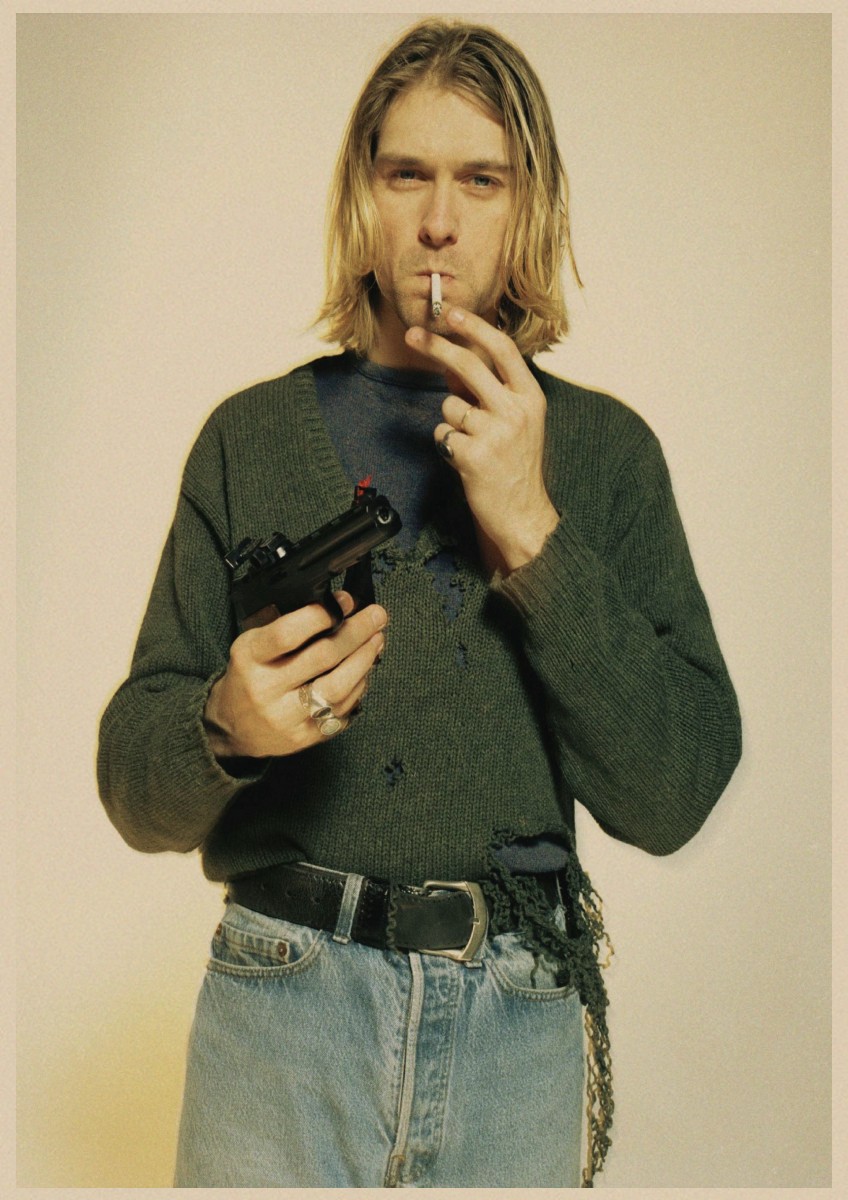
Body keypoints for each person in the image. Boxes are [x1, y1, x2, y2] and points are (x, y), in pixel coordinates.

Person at [97, 19, 741, 1189]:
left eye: (479, 180)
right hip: (281, 1013)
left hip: (517, 1024)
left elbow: (672, 793)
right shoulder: (248, 438)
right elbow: (133, 788)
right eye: (407, 175)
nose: (439, 221)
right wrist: (223, 728)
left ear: (526, 206)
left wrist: (532, 531)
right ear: (363, 196)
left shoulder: (606, 454)